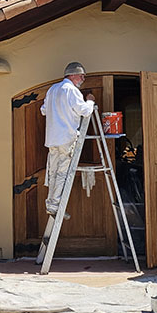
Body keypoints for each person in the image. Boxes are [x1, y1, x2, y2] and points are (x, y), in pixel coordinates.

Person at [40, 62, 96, 217]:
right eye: (81, 75)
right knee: (62, 173)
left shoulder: (52, 89)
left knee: (53, 172)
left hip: (52, 138)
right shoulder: (72, 90)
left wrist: (57, 110)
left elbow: (43, 110)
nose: (83, 78)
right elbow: (85, 111)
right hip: (66, 137)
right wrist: (90, 101)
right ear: (71, 75)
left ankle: (50, 203)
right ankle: (55, 205)